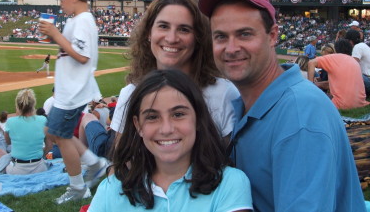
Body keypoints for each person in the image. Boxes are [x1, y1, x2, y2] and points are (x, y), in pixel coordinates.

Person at [198, 0, 366, 212]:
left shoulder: (300, 114)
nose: (231, 47)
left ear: (272, 36)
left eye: (244, 34)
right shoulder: (244, 103)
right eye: (220, 37)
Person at [88, 69, 252, 212]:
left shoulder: (230, 184)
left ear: (198, 118)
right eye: (152, 117)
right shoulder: (112, 187)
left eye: (178, 114)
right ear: (138, 125)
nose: (166, 129)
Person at [110, 0, 238, 145]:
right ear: (149, 33)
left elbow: (230, 160)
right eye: (163, 26)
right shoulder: (130, 94)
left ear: (198, 38)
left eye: (184, 29)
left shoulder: (223, 94)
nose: (171, 39)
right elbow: (121, 162)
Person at [38, 0, 108, 204]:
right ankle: (95, 163)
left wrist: (57, 35)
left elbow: (82, 57)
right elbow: (70, 50)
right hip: (69, 89)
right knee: (53, 132)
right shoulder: (75, 20)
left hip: (73, 91)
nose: (60, 3)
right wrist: (53, 38)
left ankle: (78, 186)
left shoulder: (84, 21)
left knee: (61, 135)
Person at [0, 89, 52, 178]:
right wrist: (40, 157)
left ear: (18, 105)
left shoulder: (11, 122)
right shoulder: (42, 119)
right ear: (33, 104)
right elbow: (49, 146)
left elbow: (8, 142)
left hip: (18, 170)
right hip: (40, 168)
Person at [307, 39, 369, 109]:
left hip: (340, 104)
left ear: (336, 49)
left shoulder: (334, 58)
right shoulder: (354, 61)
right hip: (359, 103)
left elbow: (311, 63)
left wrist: (310, 85)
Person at [345, 29, 370, 96]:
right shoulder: (364, 46)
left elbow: (352, 65)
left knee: (347, 73)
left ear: (350, 41)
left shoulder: (357, 47)